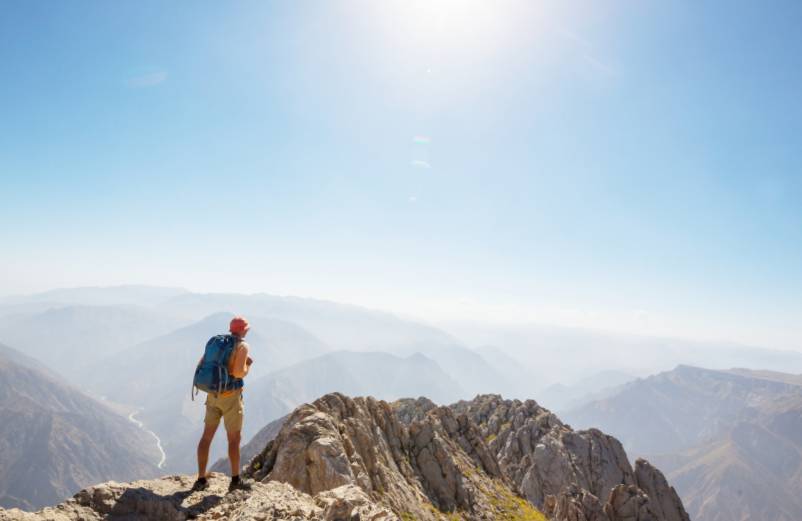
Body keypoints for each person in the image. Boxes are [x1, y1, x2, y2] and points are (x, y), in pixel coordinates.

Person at [191, 316, 254, 493]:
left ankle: (201, 479)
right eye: (246, 329)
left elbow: (201, 363)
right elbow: (238, 373)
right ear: (243, 330)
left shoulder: (218, 343)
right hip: (231, 398)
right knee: (234, 440)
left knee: (206, 437)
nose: (247, 331)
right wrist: (248, 366)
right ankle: (235, 481)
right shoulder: (242, 346)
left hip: (213, 395)